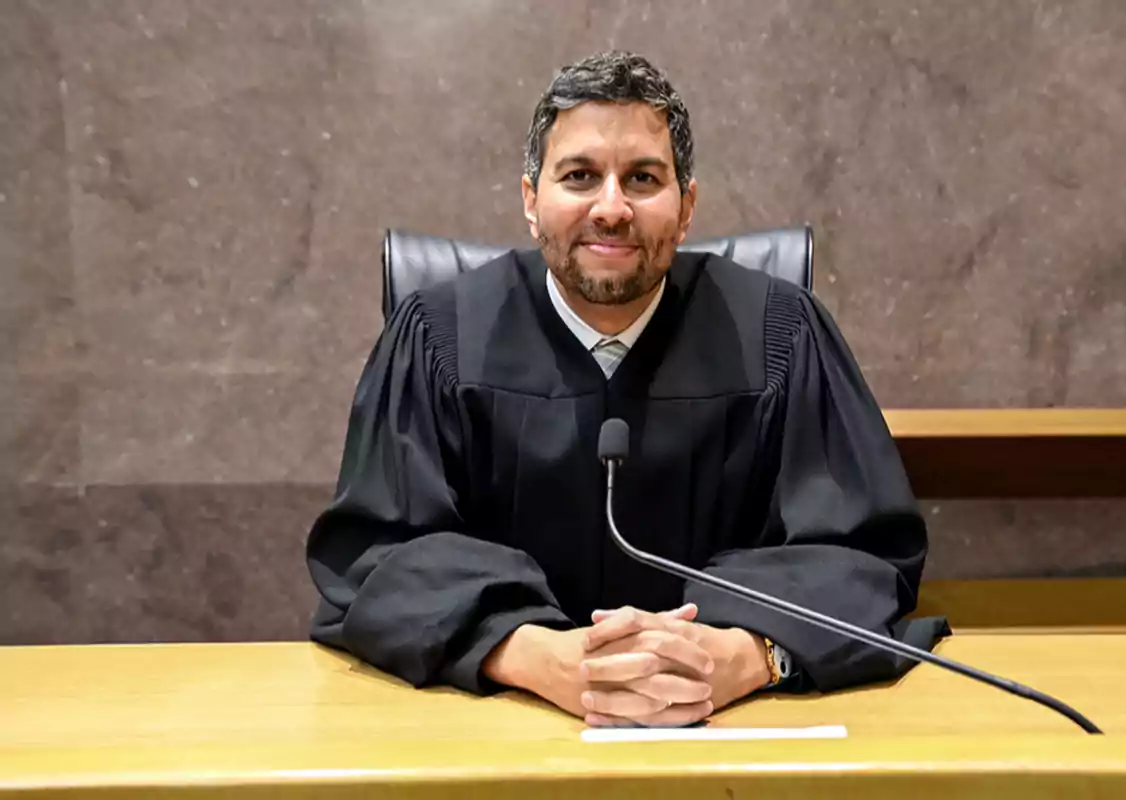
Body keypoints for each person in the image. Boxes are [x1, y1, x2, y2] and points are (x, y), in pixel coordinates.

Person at [306, 50, 948, 728]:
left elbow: (862, 552)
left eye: (642, 178)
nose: (611, 208)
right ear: (531, 199)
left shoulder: (782, 337)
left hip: (733, 735)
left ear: (687, 205)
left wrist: (747, 653)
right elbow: (376, 555)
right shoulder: (437, 339)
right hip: (502, 732)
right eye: (580, 176)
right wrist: (531, 656)